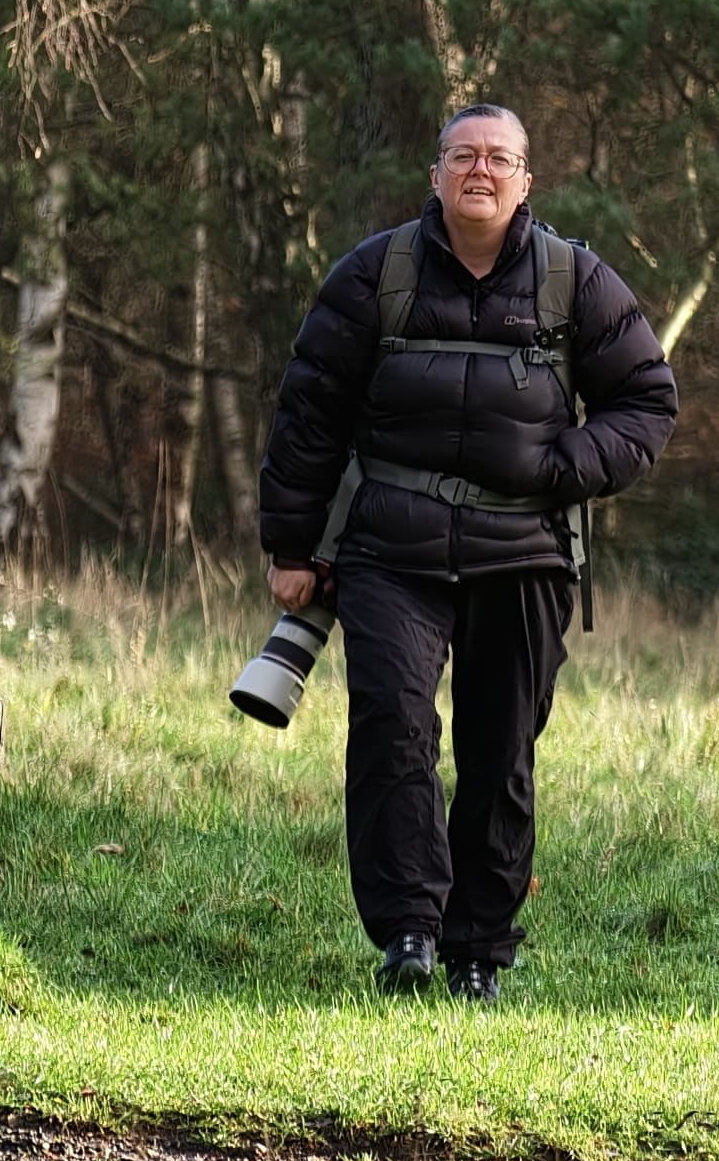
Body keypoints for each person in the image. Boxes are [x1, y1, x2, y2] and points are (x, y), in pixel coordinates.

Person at [259, 104, 678, 1001]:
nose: (479, 171)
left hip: (523, 553)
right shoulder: (374, 273)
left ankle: (477, 950)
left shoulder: (575, 280)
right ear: (436, 174)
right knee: (393, 727)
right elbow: (310, 413)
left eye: (498, 158)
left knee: (502, 750)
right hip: (391, 550)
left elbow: (647, 399)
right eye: (462, 156)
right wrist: (292, 544)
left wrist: (565, 466)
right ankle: (409, 932)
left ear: (526, 181)